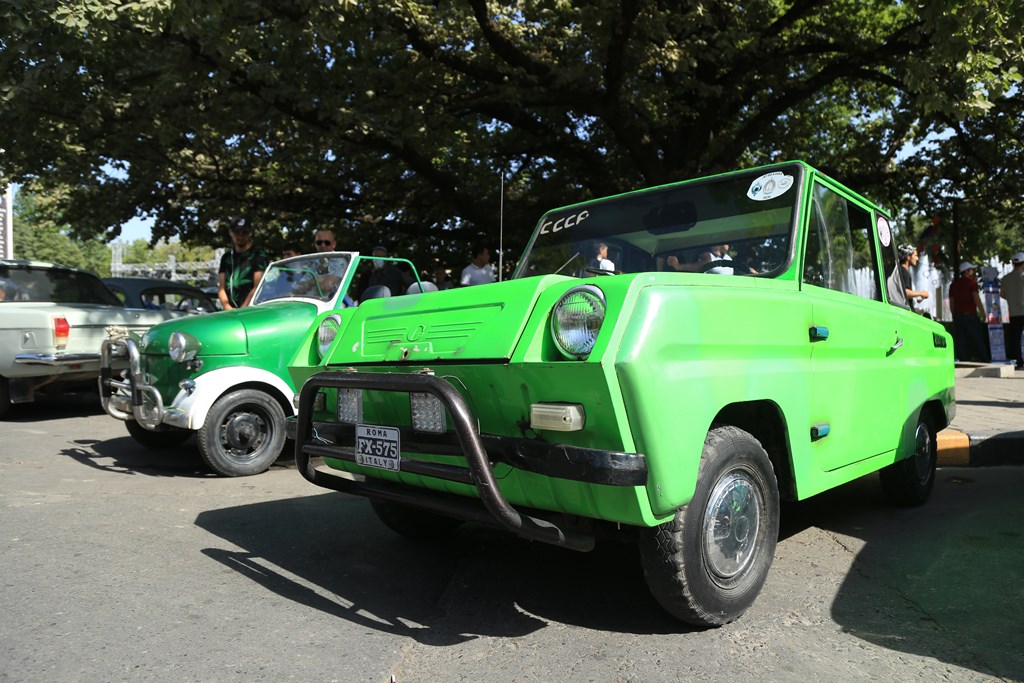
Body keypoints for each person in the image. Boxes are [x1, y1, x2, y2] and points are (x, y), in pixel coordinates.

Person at [217, 217, 269, 310]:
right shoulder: (226, 257)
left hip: (251, 310)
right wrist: (227, 307)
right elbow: (221, 288)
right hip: (230, 311)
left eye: (244, 232)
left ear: (250, 233)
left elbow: (258, 286)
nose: (240, 236)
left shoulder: (258, 254)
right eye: (237, 232)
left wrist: (243, 309)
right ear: (231, 233)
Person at [949, 261, 988, 362]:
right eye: (971, 270)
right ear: (966, 271)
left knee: (961, 339)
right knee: (978, 337)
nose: (973, 271)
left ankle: (964, 359)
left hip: (958, 315)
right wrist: (982, 312)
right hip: (970, 315)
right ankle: (984, 358)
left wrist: (953, 315)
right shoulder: (972, 283)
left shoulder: (953, 285)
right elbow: (976, 298)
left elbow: (952, 302)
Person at [1000, 252, 1024, 368]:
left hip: (1014, 312)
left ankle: (1020, 362)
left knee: (1016, 339)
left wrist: (1012, 298)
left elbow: (1002, 294)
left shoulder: (1005, 278)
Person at [898, 244, 930, 314]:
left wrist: (917, 298)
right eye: (915, 255)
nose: (917, 258)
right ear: (908, 257)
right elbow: (905, 292)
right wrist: (921, 293)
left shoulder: (900, 270)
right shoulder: (904, 272)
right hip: (906, 313)